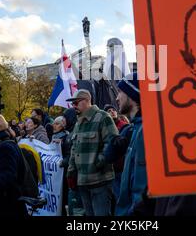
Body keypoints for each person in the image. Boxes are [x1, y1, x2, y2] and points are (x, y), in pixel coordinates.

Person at [66, 89, 118, 216]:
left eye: (76, 102)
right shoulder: (79, 122)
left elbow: (112, 144)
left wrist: (96, 163)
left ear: (87, 101)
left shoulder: (103, 117)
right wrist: (71, 173)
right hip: (82, 182)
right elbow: (74, 149)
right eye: (73, 104)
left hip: (100, 181)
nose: (73, 106)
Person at [113, 73, 154, 216]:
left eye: (120, 92)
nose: (117, 98)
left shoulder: (146, 129)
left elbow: (142, 183)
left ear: (132, 94)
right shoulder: (137, 128)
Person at [103, 104, 130, 200]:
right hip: (111, 168)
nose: (112, 112)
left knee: (123, 196)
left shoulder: (125, 126)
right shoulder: (104, 127)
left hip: (123, 166)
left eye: (113, 110)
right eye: (109, 111)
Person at [51, 116, 70, 215]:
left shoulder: (66, 137)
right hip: (56, 173)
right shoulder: (53, 136)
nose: (54, 125)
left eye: (57, 123)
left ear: (63, 125)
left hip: (64, 172)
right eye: (54, 123)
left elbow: (69, 155)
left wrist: (62, 163)